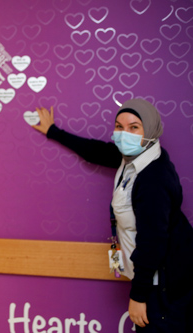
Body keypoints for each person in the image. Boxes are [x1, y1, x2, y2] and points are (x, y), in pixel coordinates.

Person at [32, 99, 193, 332]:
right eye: (119, 126)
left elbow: (153, 243)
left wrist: (139, 297)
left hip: (167, 283)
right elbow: (94, 151)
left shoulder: (154, 177)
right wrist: (53, 131)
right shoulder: (133, 157)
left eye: (134, 127)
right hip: (158, 277)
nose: (123, 133)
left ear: (150, 130)